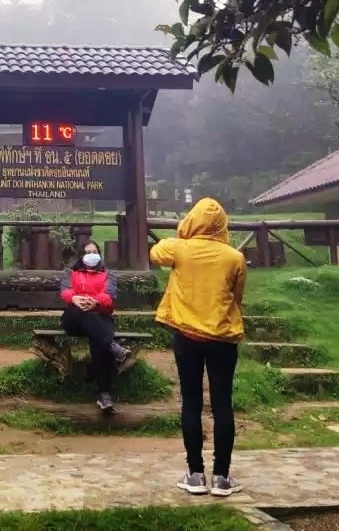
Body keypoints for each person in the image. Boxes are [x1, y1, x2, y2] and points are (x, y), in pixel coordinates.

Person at [149, 197, 247, 498]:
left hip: (187, 336)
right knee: (222, 405)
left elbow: (154, 253)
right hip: (222, 338)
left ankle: (194, 475)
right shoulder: (234, 257)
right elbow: (237, 296)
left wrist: (185, 235)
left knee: (191, 402)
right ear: (222, 224)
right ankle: (222, 478)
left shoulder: (179, 248)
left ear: (193, 219)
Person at [59, 241, 133, 412]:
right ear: (81, 255)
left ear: (99, 254)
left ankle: (104, 395)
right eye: (87, 252)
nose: (91, 254)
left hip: (99, 315)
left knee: (99, 339)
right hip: (75, 316)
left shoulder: (109, 274)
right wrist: (75, 299)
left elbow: (109, 297)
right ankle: (112, 345)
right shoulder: (71, 272)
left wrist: (95, 302)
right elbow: (65, 291)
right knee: (95, 326)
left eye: (94, 251)